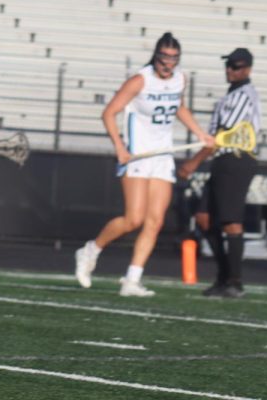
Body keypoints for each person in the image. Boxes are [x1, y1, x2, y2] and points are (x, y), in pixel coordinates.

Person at [74, 32, 214, 296]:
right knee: (133, 219)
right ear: (156, 55)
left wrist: (200, 134)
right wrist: (120, 147)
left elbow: (178, 107)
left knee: (155, 221)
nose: (168, 64)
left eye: (174, 58)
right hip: (137, 154)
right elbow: (108, 113)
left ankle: (132, 280)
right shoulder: (140, 80)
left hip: (162, 155)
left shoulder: (180, 79)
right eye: (164, 57)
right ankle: (91, 250)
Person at [178, 47, 262, 298]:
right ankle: (224, 276)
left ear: (246, 69)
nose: (229, 70)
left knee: (231, 221)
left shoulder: (244, 95)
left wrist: (194, 162)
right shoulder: (230, 95)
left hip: (237, 158)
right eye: (228, 66)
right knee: (204, 217)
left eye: (235, 66)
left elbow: (222, 134)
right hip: (223, 160)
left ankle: (234, 282)